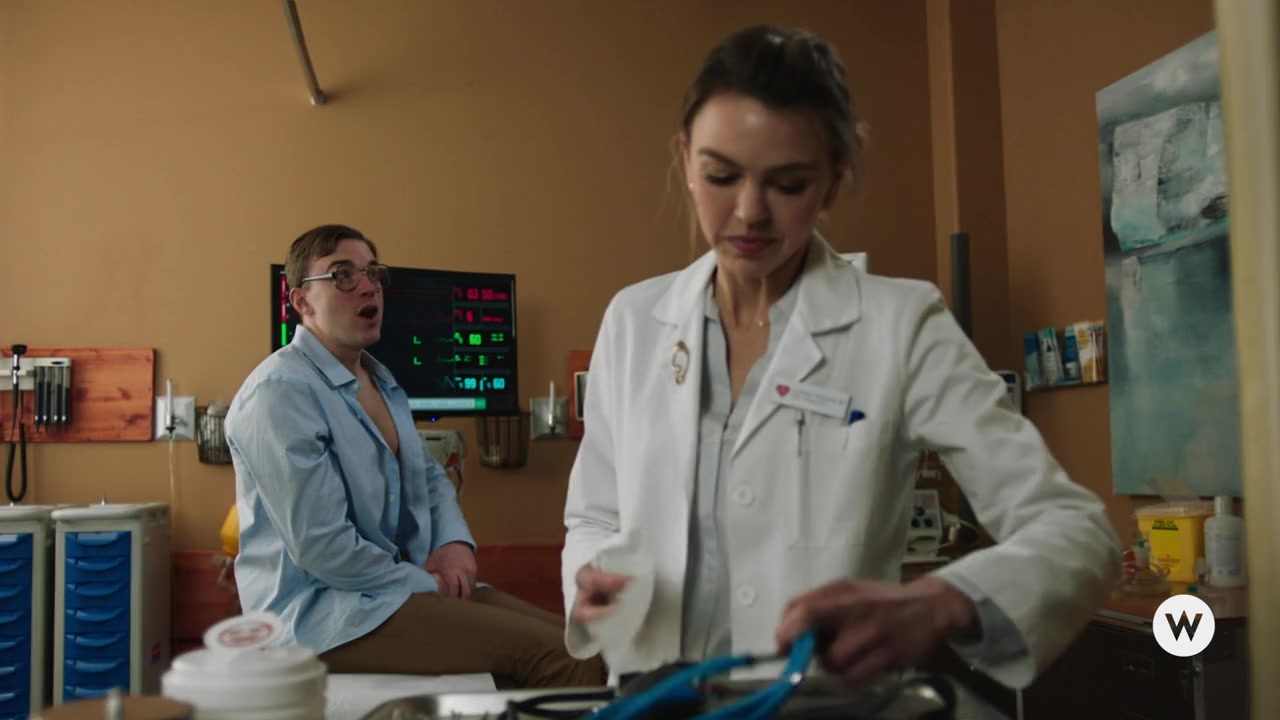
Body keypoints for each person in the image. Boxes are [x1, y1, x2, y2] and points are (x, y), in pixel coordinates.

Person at [562, 25, 1120, 691]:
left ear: (832, 180)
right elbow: (594, 515)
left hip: (823, 704)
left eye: (788, 183)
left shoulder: (900, 325)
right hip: (652, 698)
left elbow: (1078, 533)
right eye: (721, 175)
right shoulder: (634, 322)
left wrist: (942, 601)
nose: (749, 212)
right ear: (686, 159)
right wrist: (591, 580)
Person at [226, 224, 607, 688]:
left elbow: (427, 476)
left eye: (373, 273)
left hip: (387, 591)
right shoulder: (280, 393)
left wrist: (452, 545)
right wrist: (428, 584)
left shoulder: (382, 383)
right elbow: (323, 548)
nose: (368, 286)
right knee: (561, 659)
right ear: (301, 300)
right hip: (318, 616)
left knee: (585, 645)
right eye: (342, 275)